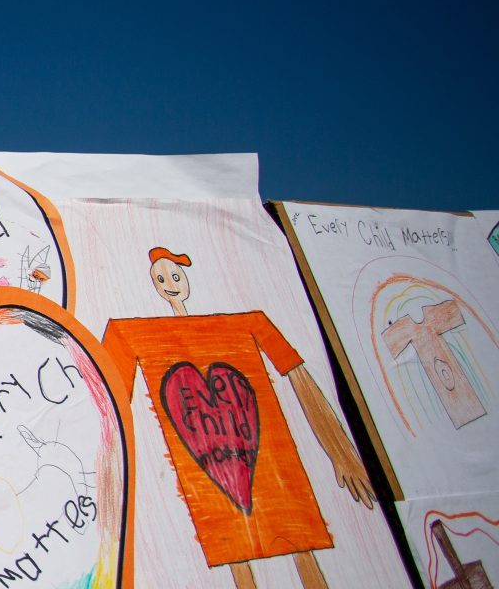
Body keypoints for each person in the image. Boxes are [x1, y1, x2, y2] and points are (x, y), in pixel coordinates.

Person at [102, 248, 374, 589]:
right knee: (235, 554)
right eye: (161, 278)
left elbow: (298, 375)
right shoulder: (137, 334)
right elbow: (110, 396)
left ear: (186, 279)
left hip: (275, 469)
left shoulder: (246, 323)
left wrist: (340, 450)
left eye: (175, 276)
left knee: (300, 542)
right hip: (206, 478)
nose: (170, 284)